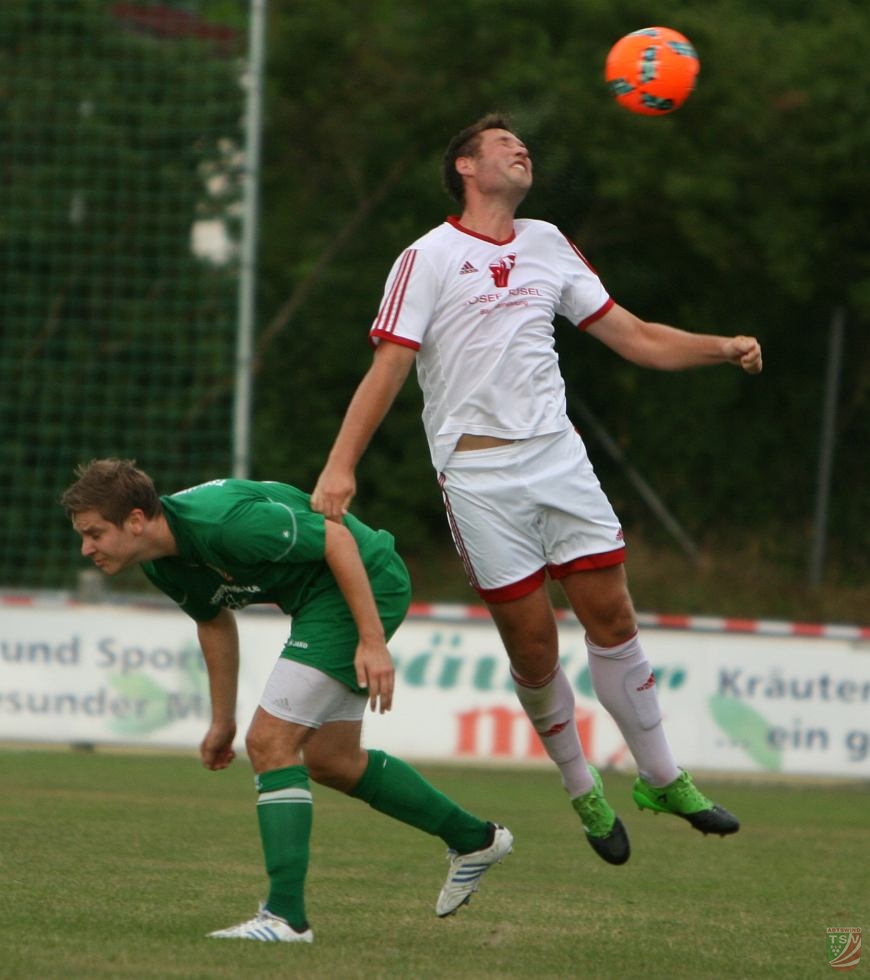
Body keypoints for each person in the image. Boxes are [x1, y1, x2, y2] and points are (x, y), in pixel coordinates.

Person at [312, 112, 762, 866]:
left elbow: (634, 336)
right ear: (464, 167)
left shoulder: (547, 242)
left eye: (521, 144)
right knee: (533, 646)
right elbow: (388, 367)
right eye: (501, 144)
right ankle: (581, 785)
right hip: (479, 477)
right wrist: (340, 465)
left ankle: (662, 778)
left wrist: (721, 346)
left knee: (613, 616)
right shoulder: (426, 257)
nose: (520, 149)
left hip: (558, 459)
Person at [61, 458, 513, 943]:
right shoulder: (162, 562)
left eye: (94, 533)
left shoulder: (223, 524)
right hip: (319, 599)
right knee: (332, 761)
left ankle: (285, 917)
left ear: (135, 520)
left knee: (270, 741)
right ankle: (475, 839)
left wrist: (371, 640)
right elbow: (213, 621)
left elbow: (336, 539)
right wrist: (221, 720)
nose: (87, 548)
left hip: (364, 581)